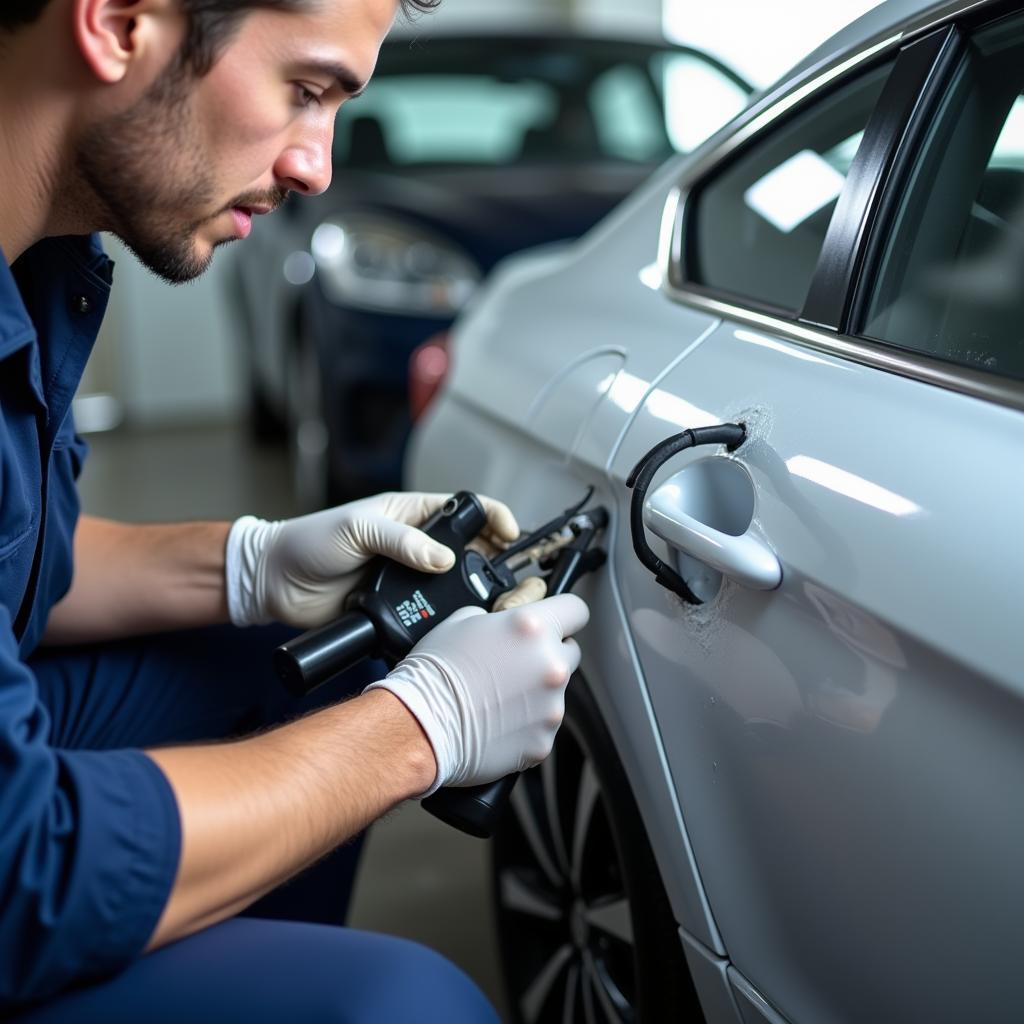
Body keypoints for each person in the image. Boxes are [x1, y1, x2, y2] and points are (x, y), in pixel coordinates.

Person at [0, 0, 591, 1020]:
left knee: (341, 637)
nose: (317, 166)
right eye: (305, 91)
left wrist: (253, 563)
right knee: (410, 1004)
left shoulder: (45, 264)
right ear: (120, 20)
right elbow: (18, 871)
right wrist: (418, 728)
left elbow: (23, 568)